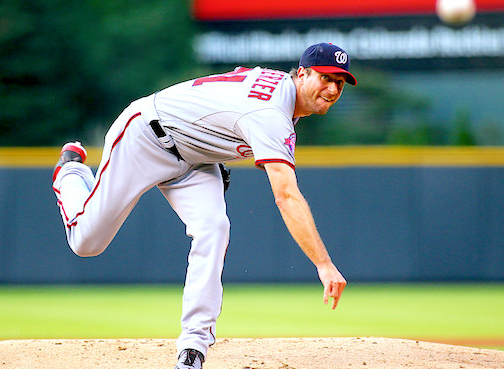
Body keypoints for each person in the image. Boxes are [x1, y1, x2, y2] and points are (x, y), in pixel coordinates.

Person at [52, 42, 356, 369]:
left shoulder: (278, 90)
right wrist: (323, 264)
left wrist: (212, 140)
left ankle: (193, 348)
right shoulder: (271, 114)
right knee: (86, 242)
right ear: (301, 74)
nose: (332, 88)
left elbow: (229, 95)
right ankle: (70, 169)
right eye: (325, 77)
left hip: (194, 157)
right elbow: (286, 196)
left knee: (214, 228)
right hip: (145, 137)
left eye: (339, 82)